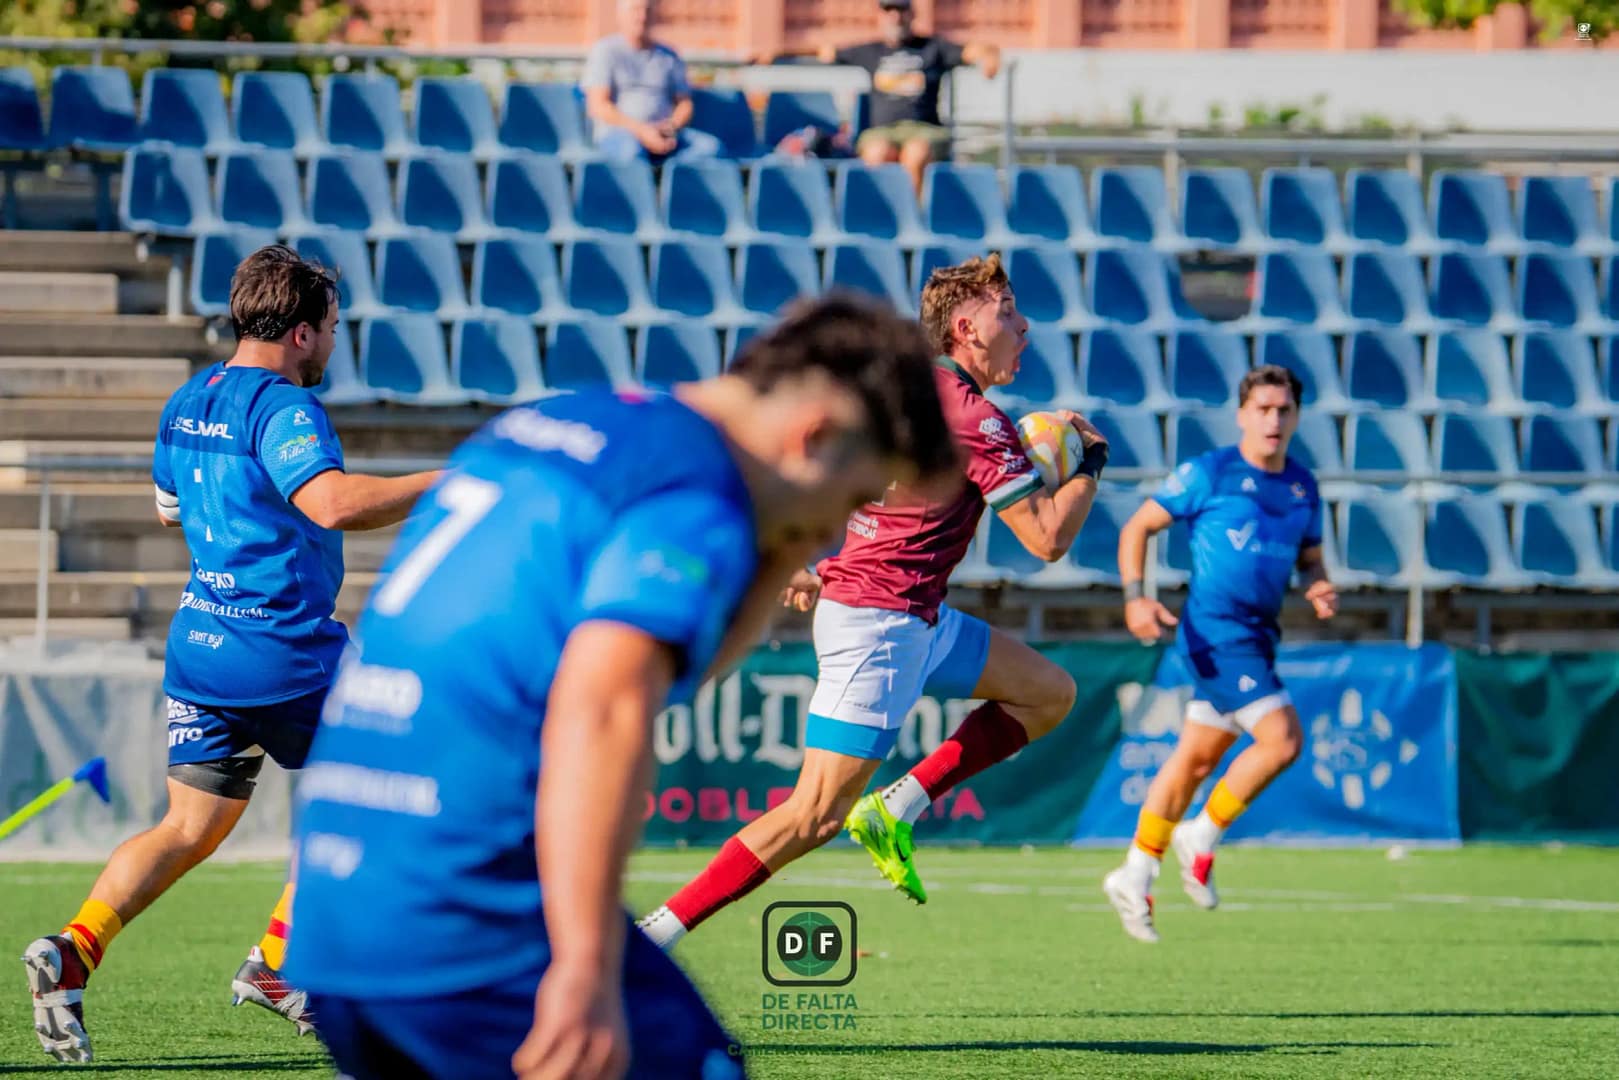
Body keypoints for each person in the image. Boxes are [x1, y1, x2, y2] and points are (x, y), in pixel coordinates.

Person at [283, 294, 958, 1080]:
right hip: (466, 921)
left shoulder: (561, 423)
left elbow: (667, 673)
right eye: (848, 501)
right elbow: (606, 707)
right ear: (813, 436)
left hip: (335, 915)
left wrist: (780, 545)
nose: (837, 534)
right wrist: (583, 967)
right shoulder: (691, 491)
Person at [20, 246, 442, 1064]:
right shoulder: (282, 408)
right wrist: (454, 479)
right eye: (330, 329)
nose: (332, 344)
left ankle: (74, 951)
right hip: (283, 649)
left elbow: (170, 510)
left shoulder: (188, 400)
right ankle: (280, 963)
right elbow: (335, 504)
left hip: (203, 647)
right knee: (401, 782)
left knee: (188, 825)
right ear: (299, 332)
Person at [637, 254, 1108, 950]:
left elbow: (862, 486)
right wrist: (1088, 464)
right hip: (880, 628)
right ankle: (656, 934)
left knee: (1048, 693)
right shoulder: (976, 421)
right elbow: (1044, 539)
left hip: (909, 614)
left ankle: (898, 807)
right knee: (812, 815)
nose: (1023, 322)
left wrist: (817, 561)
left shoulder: (910, 395)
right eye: (1006, 309)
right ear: (966, 326)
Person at [1102, 364, 1339, 944]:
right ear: (1241, 415)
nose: (1273, 420)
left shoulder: (1303, 487)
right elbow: (1137, 528)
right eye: (1262, 409)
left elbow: (1310, 556)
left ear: (1297, 416)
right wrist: (1136, 598)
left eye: (1283, 410)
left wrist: (1318, 584)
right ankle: (1201, 834)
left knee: (1194, 760)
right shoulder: (1210, 472)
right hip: (1214, 634)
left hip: (1258, 637)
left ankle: (1135, 872)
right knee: (1282, 739)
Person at [762, 0, 1000, 193]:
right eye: (889, 10)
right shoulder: (870, 51)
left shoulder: (933, 47)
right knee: (876, 155)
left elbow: (975, 50)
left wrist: (990, 57)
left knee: (914, 155)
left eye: (901, 10)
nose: (896, 17)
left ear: (912, 13)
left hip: (924, 130)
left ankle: (912, 219)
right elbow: (822, 50)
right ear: (881, 15)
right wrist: (775, 53)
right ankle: (881, 217)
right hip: (882, 131)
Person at [582, 0, 721, 163]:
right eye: (635, 10)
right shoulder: (605, 51)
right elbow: (598, 106)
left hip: (666, 133)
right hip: (620, 134)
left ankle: (671, 183)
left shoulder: (669, 55)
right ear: (620, 15)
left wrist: (670, 127)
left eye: (647, 10)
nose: (642, 16)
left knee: (710, 149)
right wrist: (642, 131)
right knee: (631, 153)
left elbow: (685, 104)